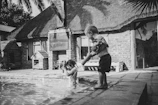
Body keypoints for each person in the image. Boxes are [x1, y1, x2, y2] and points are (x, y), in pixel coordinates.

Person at [82, 25, 111, 89]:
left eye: (87, 35)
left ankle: (100, 84)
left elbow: (100, 44)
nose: (88, 38)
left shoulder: (98, 37)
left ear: (90, 33)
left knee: (100, 71)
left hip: (104, 57)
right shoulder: (98, 39)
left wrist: (94, 46)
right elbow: (97, 50)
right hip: (105, 57)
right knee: (102, 71)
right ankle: (105, 84)